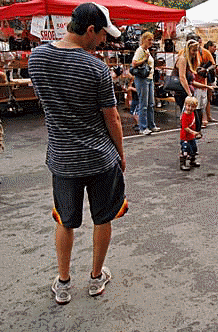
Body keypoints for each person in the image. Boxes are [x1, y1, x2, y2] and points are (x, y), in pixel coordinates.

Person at [28, 2, 128, 305]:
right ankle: (96, 279)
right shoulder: (96, 68)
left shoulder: (37, 58)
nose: (103, 42)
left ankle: (63, 283)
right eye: (101, 36)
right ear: (89, 30)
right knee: (103, 218)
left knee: (65, 221)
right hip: (100, 159)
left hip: (62, 159)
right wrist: (121, 155)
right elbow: (113, 118)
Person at [132, 31, 159, 135]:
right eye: (149, 39)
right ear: (143, 40)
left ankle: (151, 125)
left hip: (149, 78)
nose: (151, 42)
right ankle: (143, 127)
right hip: (143, 79)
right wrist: (144, 59)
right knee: (144, 104)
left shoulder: (146, 50)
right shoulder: (140, 50)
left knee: (150, 104)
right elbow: (134, 63)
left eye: (152, 40)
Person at [179, 96, 202, 171]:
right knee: (185, 149)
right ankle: (182, 163)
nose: (190, 108)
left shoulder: (192, 113)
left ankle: (192, 160)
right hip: (185, 136)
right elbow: (185, 127)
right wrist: (194, 132)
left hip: (191, 136)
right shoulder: (184, 116)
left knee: (193, 148)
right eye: (188, 106)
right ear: (185, 105)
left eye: (192, 107)